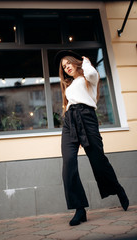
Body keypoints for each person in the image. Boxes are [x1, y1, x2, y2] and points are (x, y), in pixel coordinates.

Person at [54, 50, 129, 226]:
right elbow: (69, 104)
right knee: (68, 163)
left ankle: (117, 188)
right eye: (64, 67)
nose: (67, 68)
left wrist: (86, 62)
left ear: (75, 62)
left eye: (68, 63)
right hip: (70, 121)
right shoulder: (70, 85)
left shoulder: (89, 78)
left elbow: (92, 73)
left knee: (98, 160)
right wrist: (73, 129)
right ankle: (80, 209)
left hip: (86, 117)